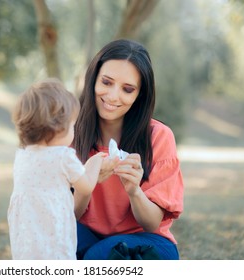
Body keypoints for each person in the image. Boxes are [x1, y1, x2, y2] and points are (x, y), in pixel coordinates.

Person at [72, 39, 184, 260]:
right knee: (48, 231)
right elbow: (69, 215)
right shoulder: (70, 134)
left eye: (127, 89)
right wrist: (87, 185)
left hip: (146, 240)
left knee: (101, 255)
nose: (113, 96)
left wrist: (134, 191)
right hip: (86, 235)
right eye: (106, 82)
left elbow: (151, 224)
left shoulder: (158, 136)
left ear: (139, 95)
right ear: (93, 79)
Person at [7, 78, 106, 260]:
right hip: (54, 232)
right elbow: (85, 186)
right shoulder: (63, 156)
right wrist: (95, 163)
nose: (74, 130)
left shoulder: (22, 155)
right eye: (71, 125)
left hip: (27, 233)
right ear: (56, 127)